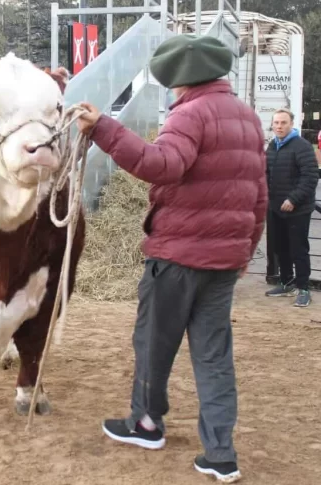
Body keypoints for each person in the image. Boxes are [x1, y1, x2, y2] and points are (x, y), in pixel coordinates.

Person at [76, 35, 267, 483]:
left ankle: (146, 423)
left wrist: (103, 128)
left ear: (180, 80)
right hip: (223, 262)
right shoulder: (248, 118)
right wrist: (245, 251)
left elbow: (163, 166)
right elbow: (259, 195)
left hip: (177, 256)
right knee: (215, 356)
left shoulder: (190, 113)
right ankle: (221, 453)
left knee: (153, 344)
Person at [264, 108, 319, 307]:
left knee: (298, 249)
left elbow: (310, 176)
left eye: (283, 123)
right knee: (280, 247)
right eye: (276, 123)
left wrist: (293, 199)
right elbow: (265, 173)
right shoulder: (272, 146)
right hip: (275, 207)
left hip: (298, 209)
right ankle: (286, 283)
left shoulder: (302, 146)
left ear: (291, 124)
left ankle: (303, 288)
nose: (279, 126)